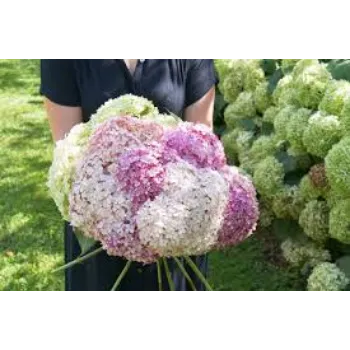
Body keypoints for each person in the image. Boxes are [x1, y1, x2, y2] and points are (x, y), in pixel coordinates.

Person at [40, 57, 219, 294]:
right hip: (98, 228)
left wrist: (164, 206)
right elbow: (68, 153)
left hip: (172, 223)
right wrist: (118, 215)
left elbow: (201, 149)